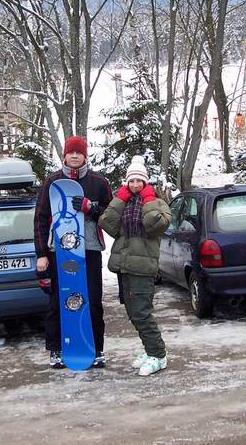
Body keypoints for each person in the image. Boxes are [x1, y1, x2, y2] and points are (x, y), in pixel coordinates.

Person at [34, 136, 113, 369]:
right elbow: (40, 218)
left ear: (85, 156)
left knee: (93, 301)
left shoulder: (98, 182)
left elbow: (111, 216)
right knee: (58, 300)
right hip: (59, 252)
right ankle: (57, 349)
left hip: (88, 250)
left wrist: (92, 208)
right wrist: (41, 253)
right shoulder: (52, 182)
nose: (75, 156)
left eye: (79, 152)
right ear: (64, 155)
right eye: (71, 152)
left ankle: (96, 348)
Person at [98, 156, 172, 376]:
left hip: (143, 267)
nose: (135, 185)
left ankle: (158, 355)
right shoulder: (126, 203)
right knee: (133, 313)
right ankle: (150, 351)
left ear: (146, 182)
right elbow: (107, 223)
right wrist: (120, 199)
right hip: (125, 267)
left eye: (140, 181)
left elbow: (154, 225)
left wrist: (149, 200)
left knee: (142, 313)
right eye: (131, 181)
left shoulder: (158, 203)